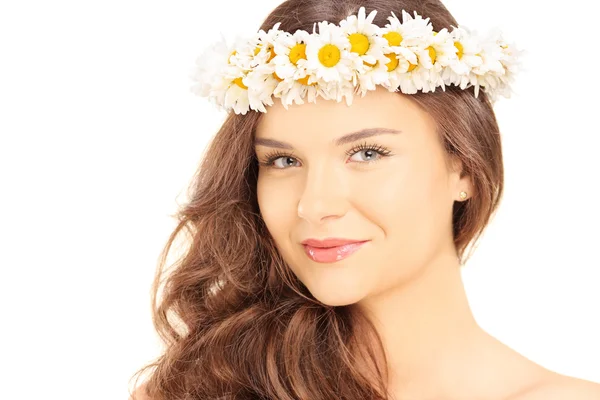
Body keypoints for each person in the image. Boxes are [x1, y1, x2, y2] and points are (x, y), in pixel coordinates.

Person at [130, 0, 600, 399]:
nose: (313, 205)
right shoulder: (209, 385)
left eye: (367, 153)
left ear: (464, 167)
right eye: (282, 162)